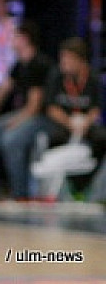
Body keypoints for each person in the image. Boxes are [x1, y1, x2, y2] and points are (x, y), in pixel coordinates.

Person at [0, 21, 52, 202]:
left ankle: (20, 194)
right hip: (23, 114)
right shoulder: (19, 65)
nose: (11, 40)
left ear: (25, 39)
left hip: (42, 117)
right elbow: (3, 90)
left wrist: (15, 123)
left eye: (15, 36)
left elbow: (34, 106)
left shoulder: (39, 64)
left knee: (10, 139)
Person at [37, 37, 106, 196]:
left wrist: (85, 124)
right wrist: (70, 123)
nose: (64, 63)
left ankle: (91, 188)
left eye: (68, 59)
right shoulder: (56, 76)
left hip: (86, 125)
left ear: (80, 61)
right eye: (62, 58)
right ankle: (55, 191)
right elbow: (51, 108)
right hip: (63, 124)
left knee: (101, 139)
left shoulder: (93, 78)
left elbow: (96, 108)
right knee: (53, 138)